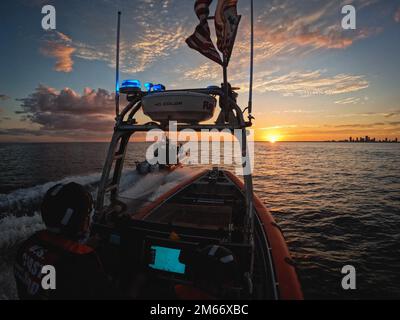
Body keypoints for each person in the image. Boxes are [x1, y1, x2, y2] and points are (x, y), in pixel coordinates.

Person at [14, 182, 112, 300]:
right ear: (79, 223)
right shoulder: (86, 262)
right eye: (86, 216)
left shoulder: (27, 245)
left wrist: (81, 247)